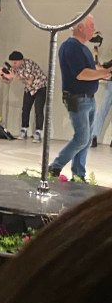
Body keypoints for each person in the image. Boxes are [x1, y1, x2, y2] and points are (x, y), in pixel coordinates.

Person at [49, 14, 111, 180]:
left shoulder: (82, 48)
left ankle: (78, 174)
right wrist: (105, 72)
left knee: (86, 139)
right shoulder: (71, 47)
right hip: (77, 99)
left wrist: (105, 73)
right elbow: (82, 74)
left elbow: (92, 71)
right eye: (91, 25)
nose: (94, 29)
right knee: (82, 138)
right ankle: (55, 166)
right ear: (80, 27)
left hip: (87, 98)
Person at [0, 51, 47, 142]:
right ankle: (24, 130)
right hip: (29, 89)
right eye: (12, 62)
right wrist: (3, 75)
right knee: (25, 109)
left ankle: (38, 132)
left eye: (15, 62)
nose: (14, 64)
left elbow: (29, 81)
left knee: (38, 109)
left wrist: (16, 76)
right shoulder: (14, 68)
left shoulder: (28, 64)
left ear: (21, 60)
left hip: (40, 87)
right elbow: (8, 81)